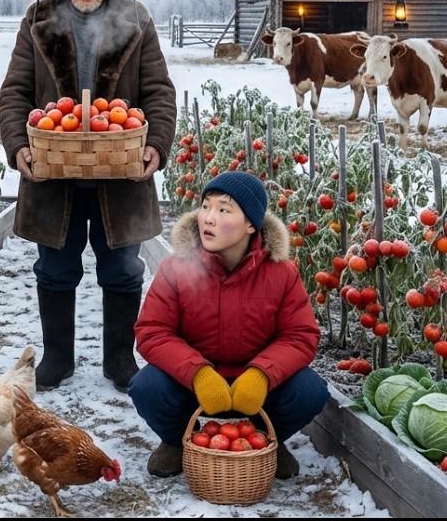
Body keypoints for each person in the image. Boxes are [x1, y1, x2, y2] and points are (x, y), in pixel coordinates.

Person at [0, 0, 177, 393]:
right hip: (53, 171)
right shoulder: (38, 20)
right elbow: (16, 89)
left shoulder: (135, 19)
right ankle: (57, 358)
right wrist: (19, 145)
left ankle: (120, 359)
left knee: (122, 268)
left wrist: (155, 143)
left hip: (121, 171)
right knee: (54, 268)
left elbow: (158, 90)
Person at [127, 170, 329, 480]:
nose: (208, 217)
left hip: (257, 391)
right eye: (206, 206)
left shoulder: (281, 272)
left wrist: (262, 374)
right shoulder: (176, 268)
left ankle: (267, 439)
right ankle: (177, 441)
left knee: (310, 390)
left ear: (250, 223)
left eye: (223, 210)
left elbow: (300, 336)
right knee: (147, 386)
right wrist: (198, 373)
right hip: (193, 387)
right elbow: (153, 331)